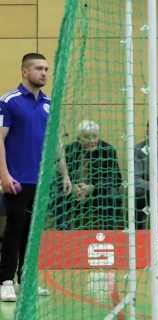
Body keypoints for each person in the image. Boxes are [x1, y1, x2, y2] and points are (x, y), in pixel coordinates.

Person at [0, 53, 68, 302]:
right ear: (24, 72)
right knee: (14, 229)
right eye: (39, 68)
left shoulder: (49, 103)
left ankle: (26, 281)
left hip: (42, 181)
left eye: (47, 69)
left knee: (32, 232)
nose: (44, 73)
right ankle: (6, 281)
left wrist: (64, 173)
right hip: (17, 180)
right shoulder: (8, 101)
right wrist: (4, 174)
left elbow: (55, 140)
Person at [54, 120, 123, 230]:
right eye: (88, 138)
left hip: (98, 196)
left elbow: (115, 178)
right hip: (73, 196)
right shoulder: (68, 150)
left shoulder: (108, 150)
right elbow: (57, 177)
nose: (92, 141)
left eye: (95, 137)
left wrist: (93, 187)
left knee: (113, 194)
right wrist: (73, 188)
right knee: (57, 193)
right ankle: (64, 233)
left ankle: (109, 233)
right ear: (79, 139)